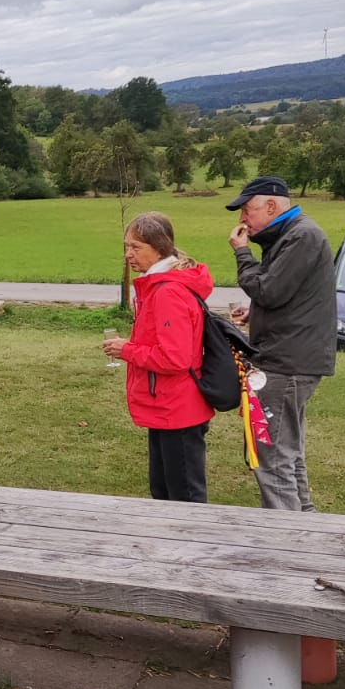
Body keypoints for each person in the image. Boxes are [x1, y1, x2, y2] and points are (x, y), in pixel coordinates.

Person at [225, 175, 337, 511]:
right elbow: (283, 295)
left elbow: (269, 291)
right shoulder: (291, 236)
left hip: (286, 363)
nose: (243, 219)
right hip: (292, 358)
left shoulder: (301, 236)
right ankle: (305, 528)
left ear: (272, 206)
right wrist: (256, 311)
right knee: (288, 453)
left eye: (247, 210)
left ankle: (287, 543)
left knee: (273, 458)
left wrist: (243, 254)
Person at [102, 212, 215, 503]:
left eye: (136, 247)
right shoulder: (158, 286)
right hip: (167, 407)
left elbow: (174, 359)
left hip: (177, 409)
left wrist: (126, 350)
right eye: (126, 246)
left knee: (183, 498)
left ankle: (193, 546)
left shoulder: (168, 292)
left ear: (159, 247)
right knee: (164, 492)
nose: (128, 254)